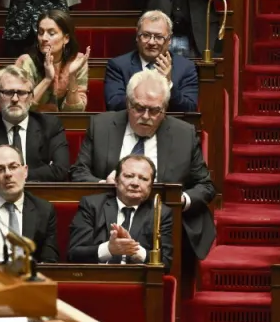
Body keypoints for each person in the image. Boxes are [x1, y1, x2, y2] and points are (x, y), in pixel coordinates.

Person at [72, 70, 216, 261]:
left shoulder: (184, 134)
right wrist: (104, 184)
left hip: (166, 222)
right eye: (139, 108)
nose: (146, 116)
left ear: (164, 109)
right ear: (128, 103)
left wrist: (178, 200)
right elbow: (78, 172)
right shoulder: (102, 126)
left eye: (155, 110)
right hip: (108, 217)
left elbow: (205, 186)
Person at [0, 64, 71, 183]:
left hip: (41, 196)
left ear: (31, 97)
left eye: (21, 93)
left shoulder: (50, 126)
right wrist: (40, 172)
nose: (15, 99)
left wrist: (10, 176)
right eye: (8, 92)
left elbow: (60, 171)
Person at [68, 155, 174, 269]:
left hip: (138, 281)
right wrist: (108, 249)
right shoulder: (92, 205)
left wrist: (135, 250)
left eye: (143, 179)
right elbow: (74, 254)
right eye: (129, 176)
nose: (135, 183)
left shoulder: (160, 212)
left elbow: (166, 264)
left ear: (151, 185)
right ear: (116, 181)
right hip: (97, 279)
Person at [104, 10, 199, 112]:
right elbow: (114, 104)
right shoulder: (118, 66)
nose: (152, 42)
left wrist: (169, 84)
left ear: (169, 40)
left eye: (159, 37)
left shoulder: (186, 67)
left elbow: (189, 108)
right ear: (137, 36)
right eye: (146, 35)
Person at [13, 9, 91, 112]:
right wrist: (47, 79)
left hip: (64, 124)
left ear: (66, 38)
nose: (44, 38)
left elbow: (75, 112)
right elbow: (21, 106)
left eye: (51, 33)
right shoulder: (26, 62)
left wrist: (72, 76)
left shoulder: (77, 61)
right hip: (32, 123)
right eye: (40, 32)